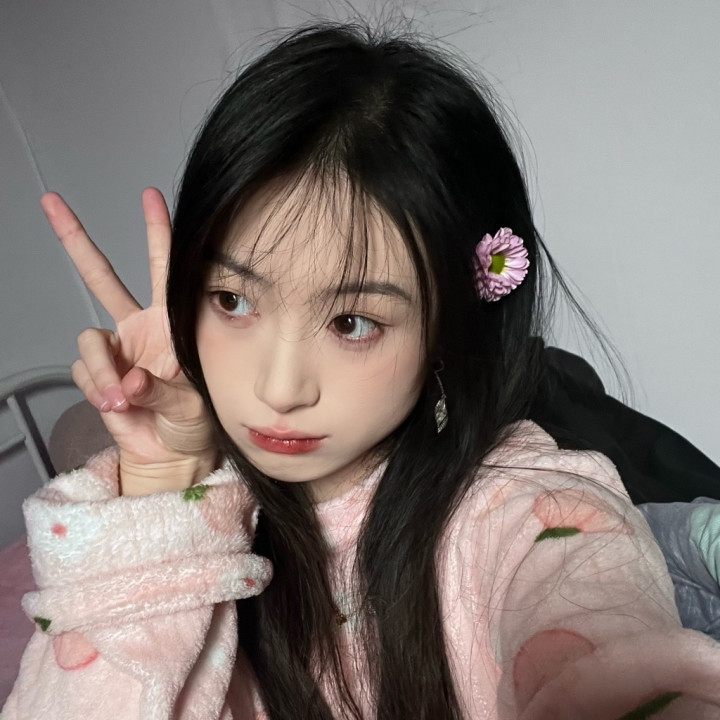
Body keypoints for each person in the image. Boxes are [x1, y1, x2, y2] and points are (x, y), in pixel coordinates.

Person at [3, 21, 720, 720]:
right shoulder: (196, 504)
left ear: (445, 332)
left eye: (352, 323)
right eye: (233, 300)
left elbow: (608, 657)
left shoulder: (525, 517)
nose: (279, 388)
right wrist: (161, 481)